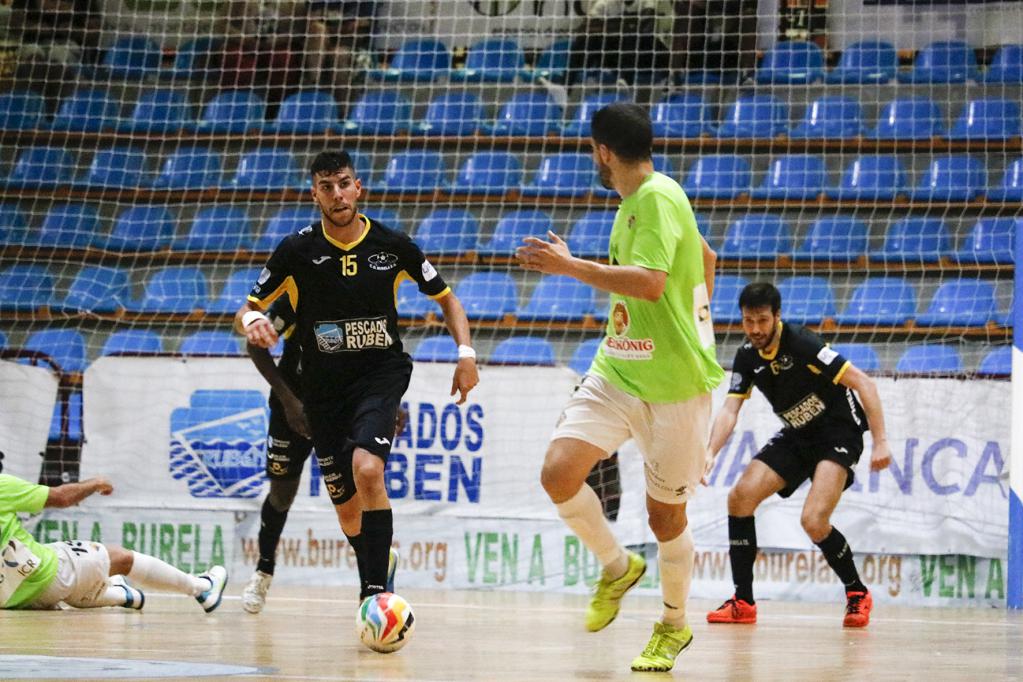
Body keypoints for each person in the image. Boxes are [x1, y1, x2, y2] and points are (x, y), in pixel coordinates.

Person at [517, 102, 723, 673]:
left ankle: (674, 625)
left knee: (665, 519)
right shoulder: (640, 200)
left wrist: (569, 266)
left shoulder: (656, 198)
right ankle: (616, 566)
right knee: (559, 472)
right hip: (618, 368)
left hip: (674, 388)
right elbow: (707, 256)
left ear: (603, 151)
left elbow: (651, 285)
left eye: (592, 149)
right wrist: (700, 321)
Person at [235, 150, 478, 609]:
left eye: (344, 183)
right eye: (326, 187)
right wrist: (253, 322)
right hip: (321, 391)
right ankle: (378, 563)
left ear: (358, 187)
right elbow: (246, 310)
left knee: (368, 469)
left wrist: (465, 354)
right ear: (315, 194)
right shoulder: (296, 251)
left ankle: (375, 595)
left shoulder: (393, 244)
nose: (337, 194)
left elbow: (447, 299)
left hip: (379, 376)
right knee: (348, 516)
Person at [703, 282, 892, 628]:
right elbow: (730, 409)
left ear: (777, 316)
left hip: (838, 432)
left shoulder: (803, 343)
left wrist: (880, 442)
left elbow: (864, 383)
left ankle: (857, 592)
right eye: (748, 321)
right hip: (798, 435)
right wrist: (710, 452)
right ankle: (743, 601)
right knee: (740, 498)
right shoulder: (747, 356)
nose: (755, 329)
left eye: (762, 320)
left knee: (814, 520)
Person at [240, 297, 401, 612]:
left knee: (352, 504)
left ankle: (371, 587)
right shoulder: (294, 298)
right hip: (292, 410)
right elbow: (255, 346)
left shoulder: (360, 296)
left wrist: (387, 404)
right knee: (281, 496)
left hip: (339, 410)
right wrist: (289, 402)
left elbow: (378, 359)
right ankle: (263, 571)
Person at [0, 451, 227, 612]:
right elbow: (61, 498)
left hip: (12, 599)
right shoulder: (3, 486)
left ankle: (123, 595)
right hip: (48, 576)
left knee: (66, 567)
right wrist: (94, 483)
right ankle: (202, 588)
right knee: (121, 559)